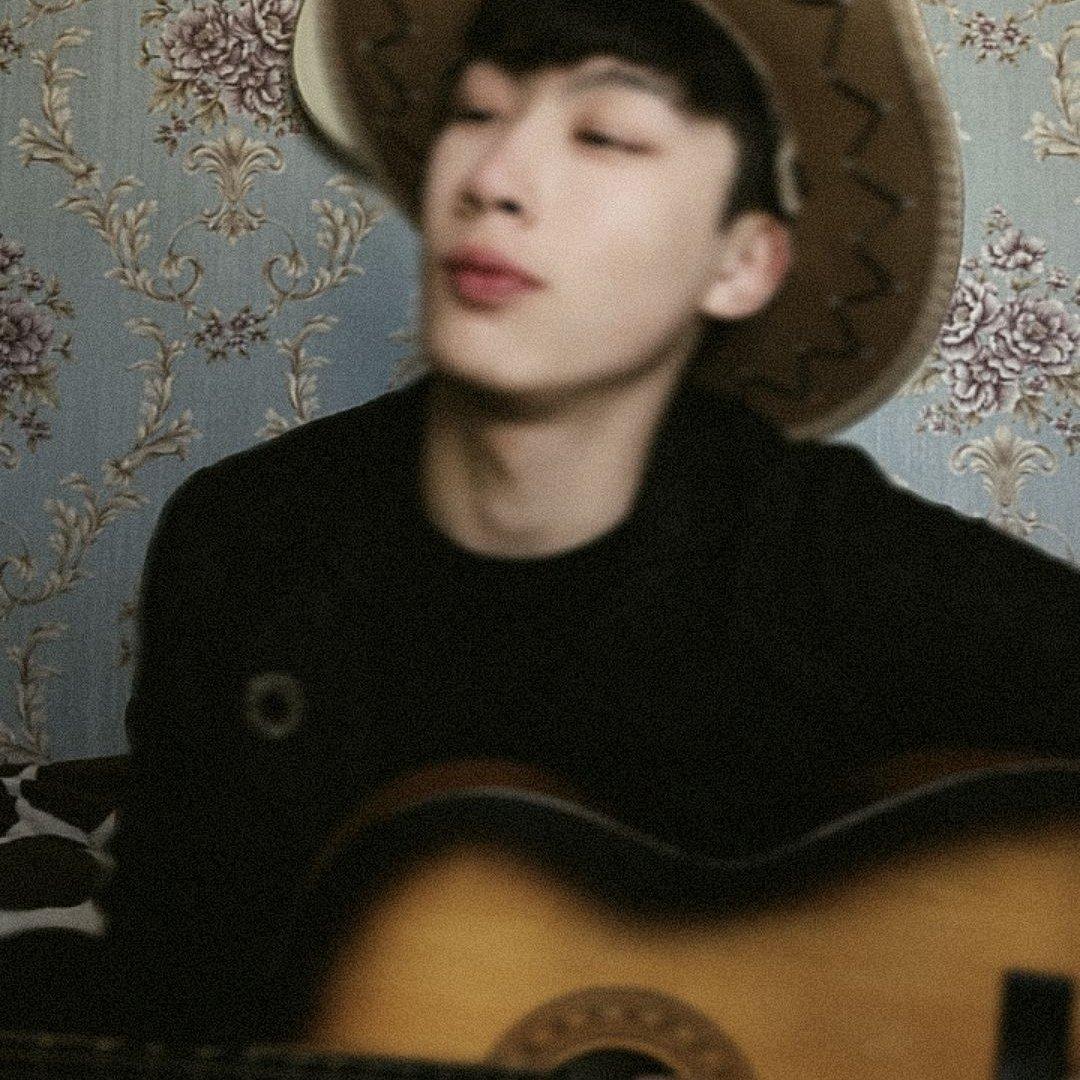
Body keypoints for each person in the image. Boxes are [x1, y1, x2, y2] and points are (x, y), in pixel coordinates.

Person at [89, 0, 1080, 1052]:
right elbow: (167, 992)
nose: (493, 178)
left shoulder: (822, 558)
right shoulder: (246, 544)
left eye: (603, 134)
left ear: (742, 263)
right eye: (476, 113)